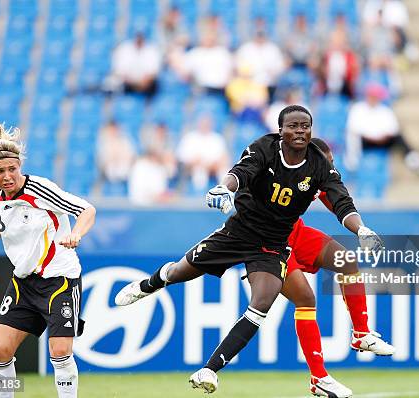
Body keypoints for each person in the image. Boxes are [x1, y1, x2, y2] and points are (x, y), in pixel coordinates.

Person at [115, 105, 384, 394]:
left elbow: (341, 201)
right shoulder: (264, 148)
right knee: (182, 271)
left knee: (262, 303)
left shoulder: (319, 164)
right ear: (280, 130)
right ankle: (149, 284)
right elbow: (241, 172)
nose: (299, 132)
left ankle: (209, 369)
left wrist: (362, 230)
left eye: (305, 126)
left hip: (273, 244)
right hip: (238, 233)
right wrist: (224, 188)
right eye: (293, 126)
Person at [0, 122, 96, 398]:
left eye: (12, 169)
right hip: (23, 283)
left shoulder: (40, 189)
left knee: (59, 352)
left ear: (19, 165)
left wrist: (77, 234)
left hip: (59, 279)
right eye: (0, 171)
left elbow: (87, 209)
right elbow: (2, 227)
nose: (7, 176)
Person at [282, 137, 394, 398]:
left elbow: (340, 204)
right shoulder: (280, 169)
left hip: (294, 233)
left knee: (347, 261)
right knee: (306, 300)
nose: (332, 168)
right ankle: (318, 377)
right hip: (267, 243)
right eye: (328, 162)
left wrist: (361, 229)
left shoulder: (317, 176)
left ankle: (361, 333)